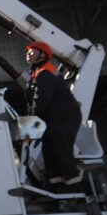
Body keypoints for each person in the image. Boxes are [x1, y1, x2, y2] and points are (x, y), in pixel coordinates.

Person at [24, 41, 82, 188]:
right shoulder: (36, 73)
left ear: (42, 55)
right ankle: (56, 185)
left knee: (61, 150)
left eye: (32, 51)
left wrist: (31, 120)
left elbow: (42, 99)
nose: (28, 54)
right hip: (53, 117)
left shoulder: (46, 72)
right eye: (28, 52)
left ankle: (73, 186)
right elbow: (33, 99)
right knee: (49, 151)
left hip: (64, 116)